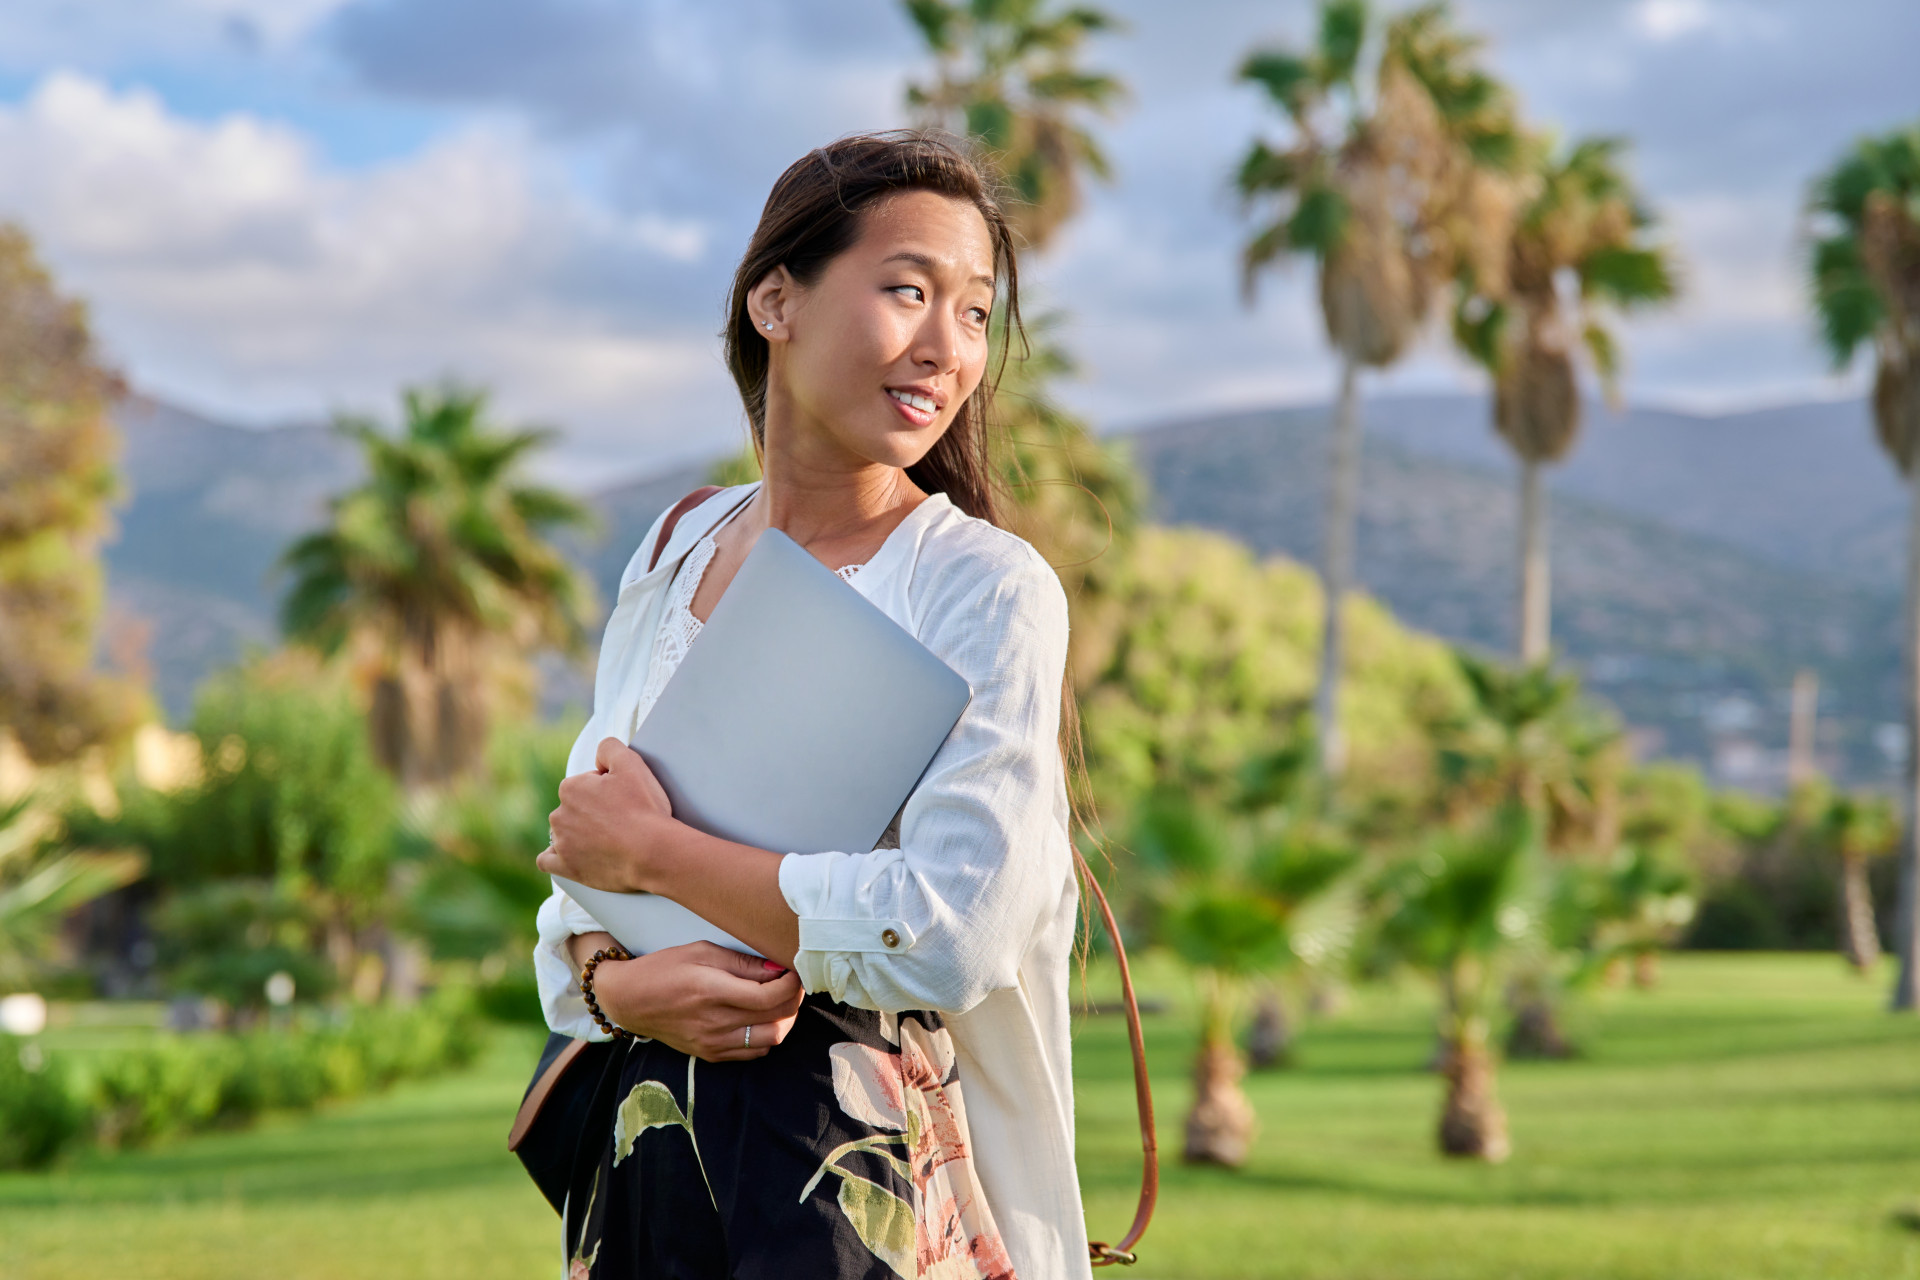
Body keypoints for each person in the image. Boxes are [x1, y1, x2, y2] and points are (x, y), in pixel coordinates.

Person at [532, 131, 1090, 1280]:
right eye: (907, 291)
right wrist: (622, 984)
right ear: (775, 301)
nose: (947, 345)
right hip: (658, 1143)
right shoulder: (678, 546)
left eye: (976, 312)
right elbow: (580, 872)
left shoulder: (980, 585)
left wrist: (663, 854)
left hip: (851, 1155)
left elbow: (949, 929)